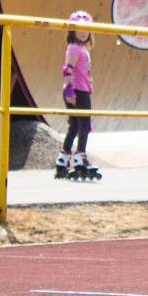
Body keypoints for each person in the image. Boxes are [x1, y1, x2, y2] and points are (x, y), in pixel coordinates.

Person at [54, 10, 101, 180]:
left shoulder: (81, 48)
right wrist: (68, 89)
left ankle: (63, 158)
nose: (83, 32)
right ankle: (80, 157)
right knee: (85, 126)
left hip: (80, 88)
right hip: (77, 90)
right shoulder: (74, 47)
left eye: (86, 29)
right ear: (72, 30)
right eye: (79, 29)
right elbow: (68, 68)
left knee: (74, 126)